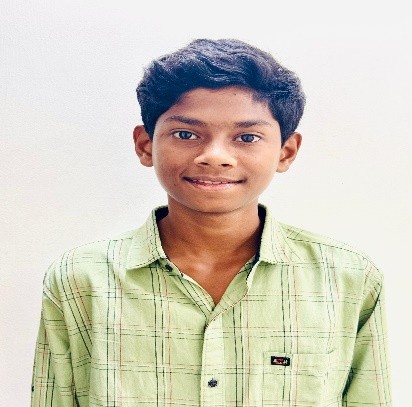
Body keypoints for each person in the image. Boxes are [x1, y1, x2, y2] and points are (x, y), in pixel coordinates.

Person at [31, 38, 391, 406]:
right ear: (145, 145)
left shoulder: (347, 278)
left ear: (286, 152)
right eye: (186, 134)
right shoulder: (81, 279)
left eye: (247, 137)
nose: (215, 156)